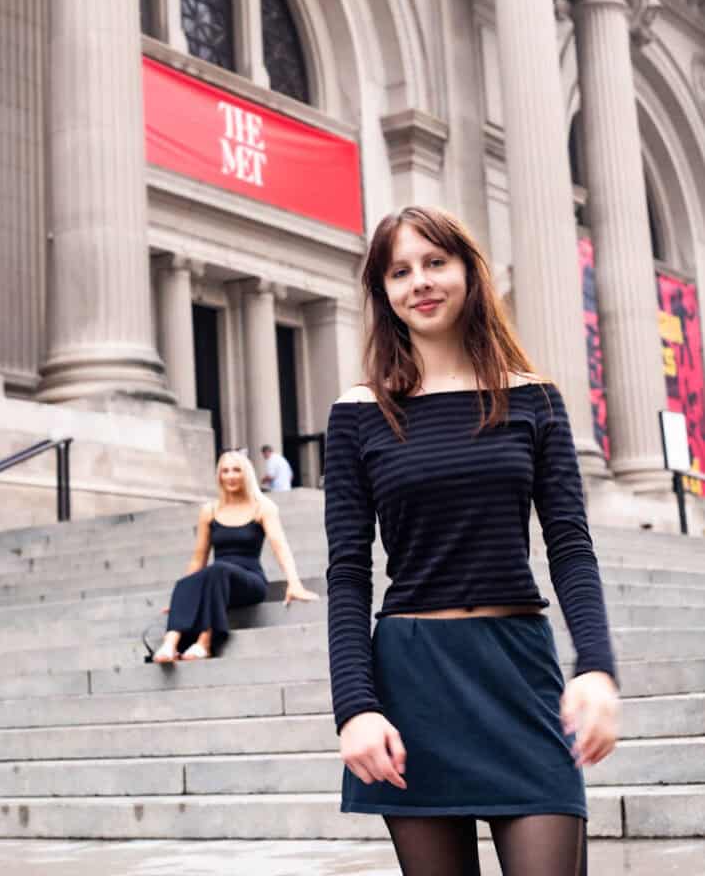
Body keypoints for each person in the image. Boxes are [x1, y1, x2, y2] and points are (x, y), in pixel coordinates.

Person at [323, 205, 619, 876]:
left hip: (518, 669)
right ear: (384, 292)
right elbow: (347, 573)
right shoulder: (359, 413)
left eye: (435, 263)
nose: (420, 283)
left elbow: (570, 545)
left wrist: (596, 666)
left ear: (467, 273)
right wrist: (354, 709)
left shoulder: (534, 399)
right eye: (400, 271)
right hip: (414, 680)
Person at [153, 449, 318, 662]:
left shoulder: (263, 507)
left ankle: (205, 642)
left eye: (236, 470)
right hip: (217, 580)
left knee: (218, 570)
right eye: (225, 471)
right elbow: (198, 558)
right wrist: (186, 592)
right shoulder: (209, 510)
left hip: (249, 581)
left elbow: (280, 546)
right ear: (219, 476)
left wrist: (294, 583)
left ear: (246, 474)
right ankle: (169, 644)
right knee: (189, 580)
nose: (230, 476)